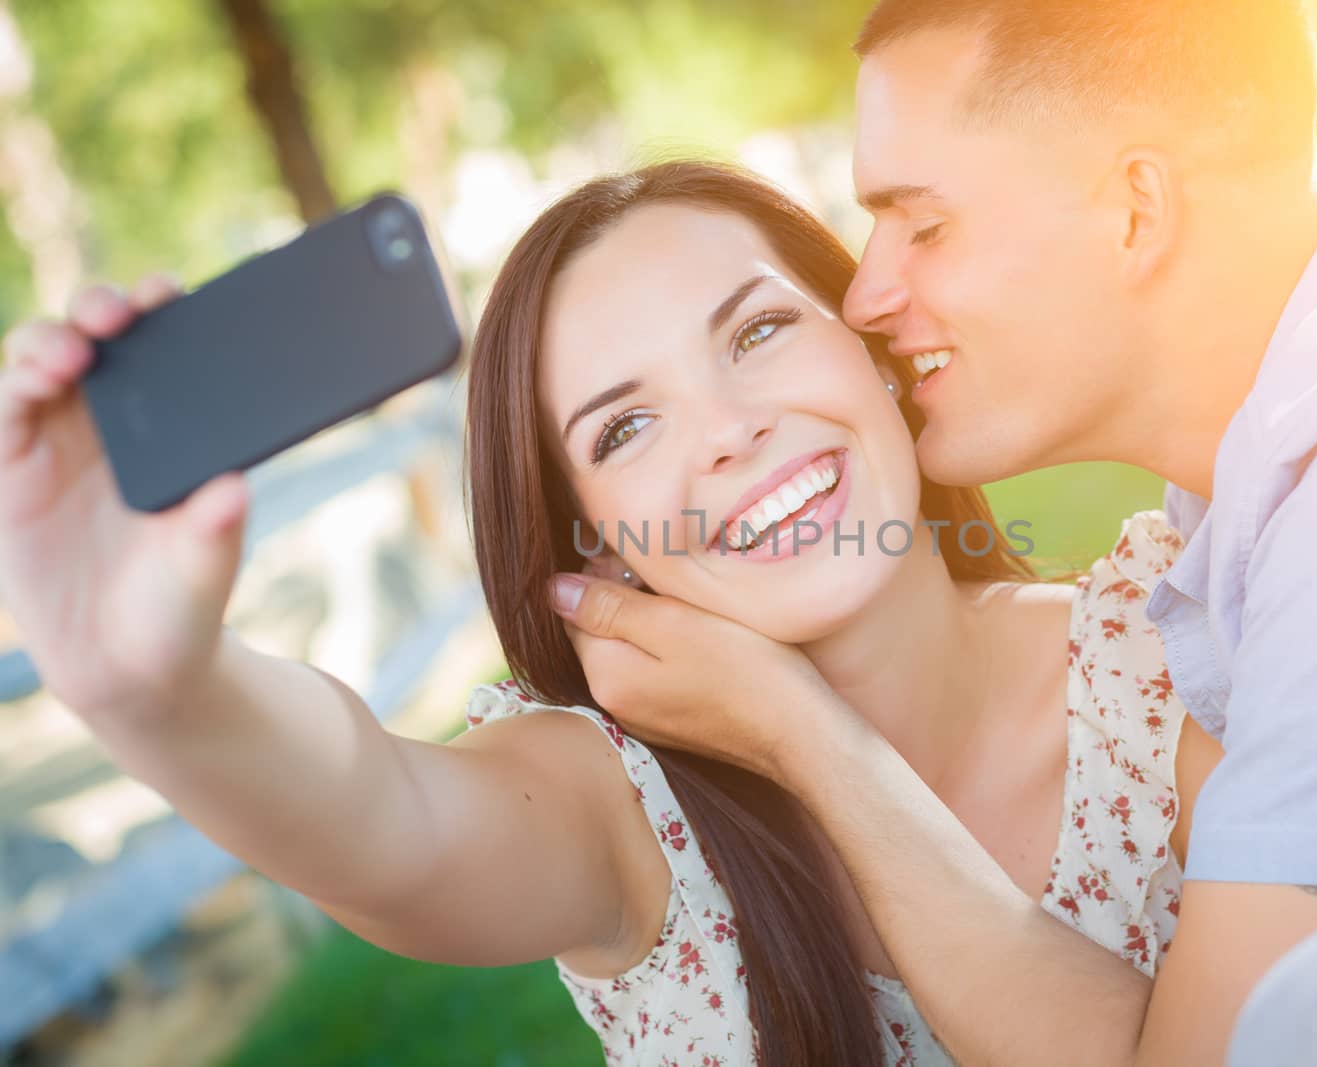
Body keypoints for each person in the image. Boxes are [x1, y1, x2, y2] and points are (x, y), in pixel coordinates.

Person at [551, 3, 1317, 1065]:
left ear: (1136, 208)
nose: (865, 296)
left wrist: (805, 734)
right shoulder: (1274, 485)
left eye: (924, 225)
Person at [0, 161, 1222, 1066]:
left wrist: (813, 737)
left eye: (757, 330)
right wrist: (156, 688)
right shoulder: (624, 805)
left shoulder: (1163, 649)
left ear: (877, 350)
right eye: (625, 427)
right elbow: (384, 818)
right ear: (594, 538)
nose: (731, 431)